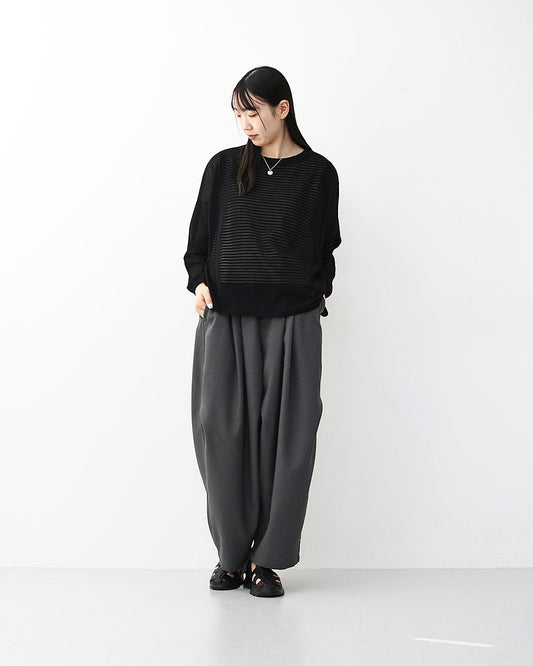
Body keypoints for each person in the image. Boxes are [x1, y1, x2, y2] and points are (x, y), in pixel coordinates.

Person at [183, 66, 341, 597]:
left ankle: (265, 561)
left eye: (253, 112)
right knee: (220, 430)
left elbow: (325, 246)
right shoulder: (223, 167)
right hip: (225, 317)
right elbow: (199, 240)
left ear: (283, 109)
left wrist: (315, 293)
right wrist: (199, 282)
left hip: (294, 320)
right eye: (238, 115)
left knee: (289, 436)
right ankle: (230, 557)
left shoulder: (319, 174)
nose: (246, 124)